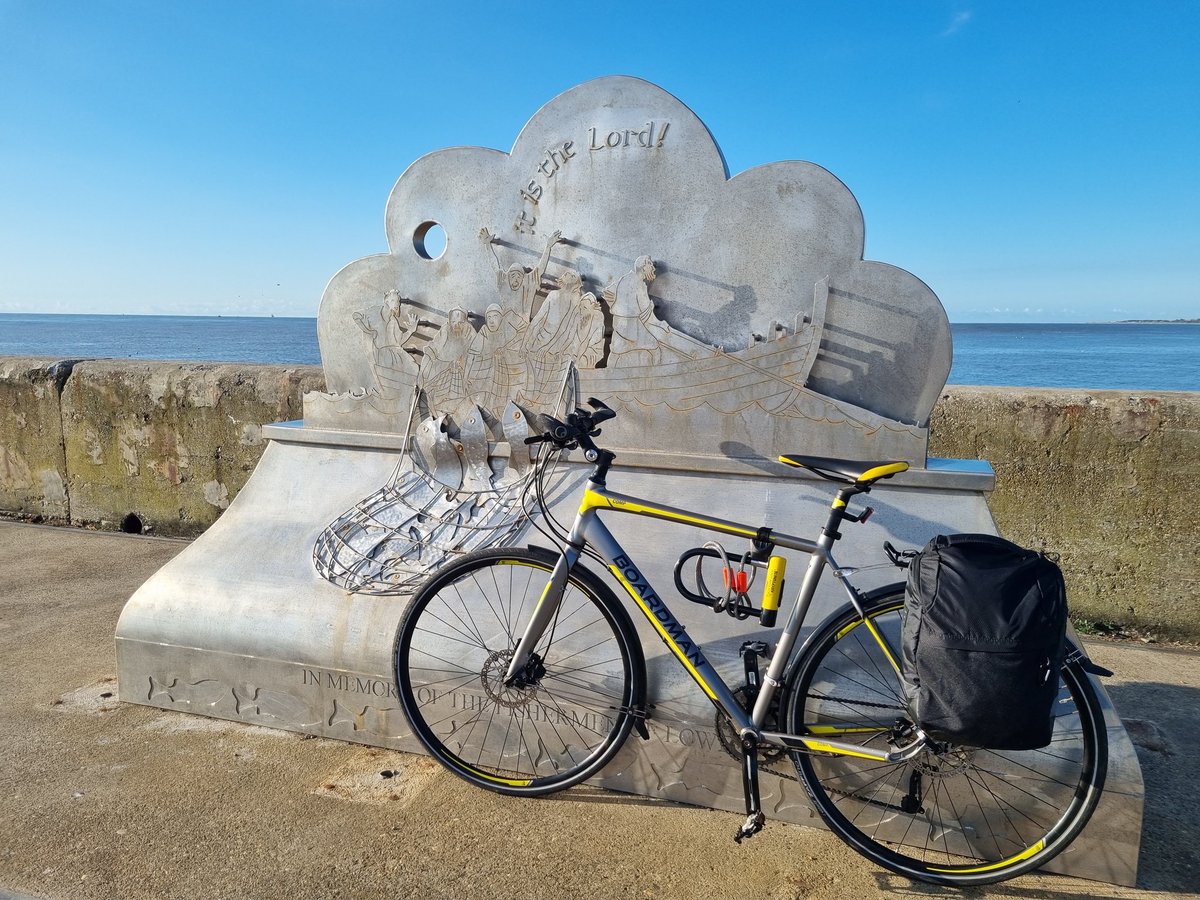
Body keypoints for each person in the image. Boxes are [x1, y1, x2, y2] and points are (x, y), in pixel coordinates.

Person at [480, 227, 563, 321]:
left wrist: (548, 247)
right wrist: (487, 244)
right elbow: (495, 265)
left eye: (519, 276)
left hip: (522, 328)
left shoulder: (528, 283)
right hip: (506, 326)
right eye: (513, 276)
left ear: (523, 278)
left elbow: (540, 268)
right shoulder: (504, 283)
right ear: (508, 277)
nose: (516, 279)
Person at [604, 255, 671, 366]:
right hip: (632, 328)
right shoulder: (639, 284)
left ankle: (610, 373)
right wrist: (661, 324)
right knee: (655, 347)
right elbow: (646, 315)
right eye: (650, 264)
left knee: (616, 352)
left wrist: (618, 308)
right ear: (643, 267)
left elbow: (608, 292)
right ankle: (656, 375)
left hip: (620, 325)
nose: (653, 268)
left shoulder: (625, 278)